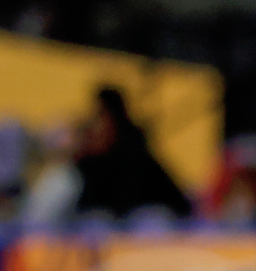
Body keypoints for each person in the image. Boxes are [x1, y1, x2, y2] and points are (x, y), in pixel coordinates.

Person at [74, 87, 192, 219]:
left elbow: (125, 200)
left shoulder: (133, 158)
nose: (93, 127)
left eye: (98, 117)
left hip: (150, 222)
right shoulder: (90, 161)